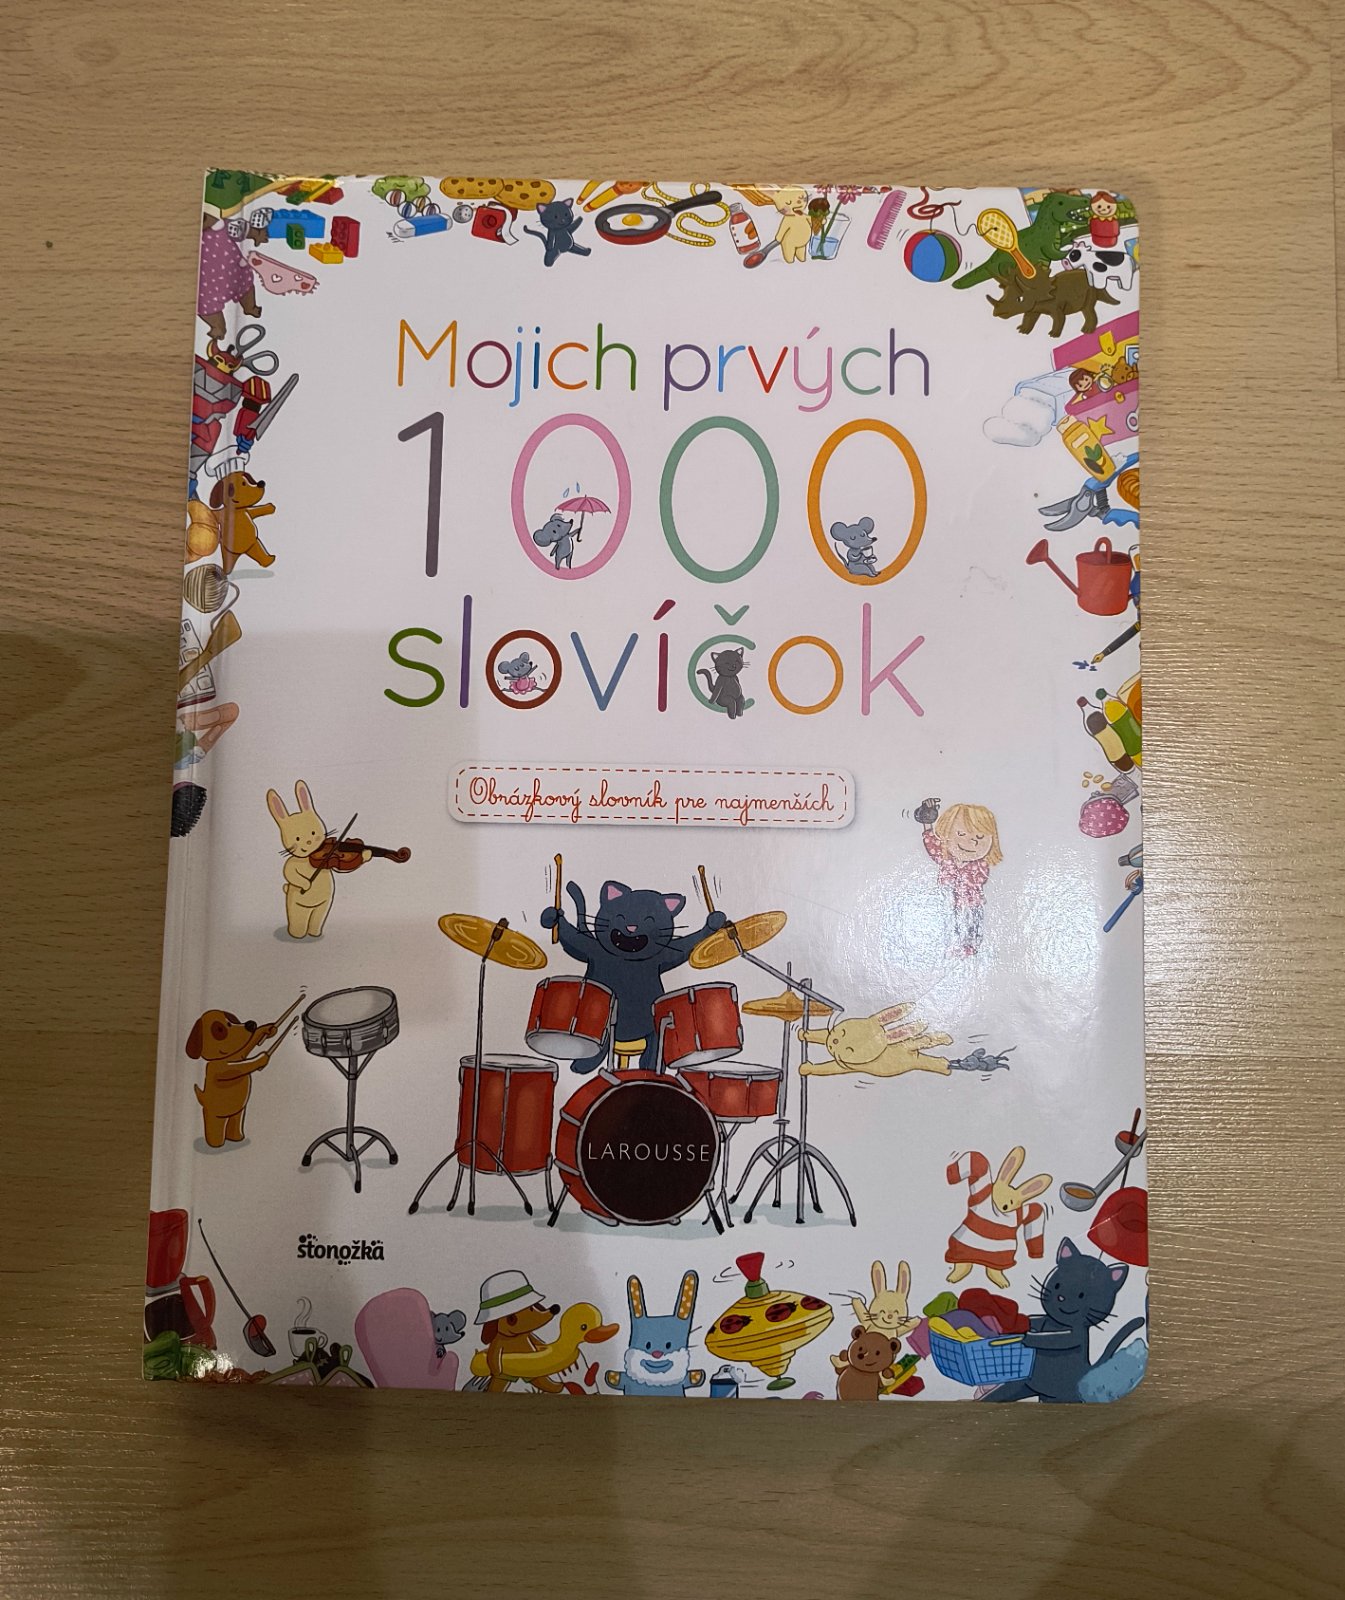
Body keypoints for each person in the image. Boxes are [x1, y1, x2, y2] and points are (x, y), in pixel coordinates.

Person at [914, 798, 1003, 956]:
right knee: (949, 924)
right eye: (961, 834)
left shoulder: (979, 865)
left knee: (972, 925)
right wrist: (927, 821)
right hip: (948, 902)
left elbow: (980, 879)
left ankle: (970, 949)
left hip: (971, 903)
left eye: (979, 837)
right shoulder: (945, 858)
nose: (971, 842)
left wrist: (959, 877)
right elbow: (932, 844)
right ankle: (952, 947)